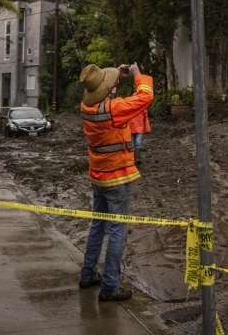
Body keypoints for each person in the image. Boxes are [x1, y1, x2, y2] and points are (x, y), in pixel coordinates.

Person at [77, 62, 153, 302]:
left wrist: (116, 77)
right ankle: (110, 286)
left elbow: (103, 93)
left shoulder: (86, 107)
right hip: (118, 178)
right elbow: (145, 97)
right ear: (108, 89)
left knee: (98, 226)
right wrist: (137, 75)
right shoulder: (115, 109)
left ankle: (88, 274)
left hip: (97, 176)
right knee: (118, 230)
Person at [128, 97, 152, 165]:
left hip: (139, 128)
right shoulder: (129, 108)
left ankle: (137, 159)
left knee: (137, 143)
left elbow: (145, 117)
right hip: (131, 128)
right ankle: (133, 159)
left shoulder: (142, 108)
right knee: (133, 144)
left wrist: (147, 128)